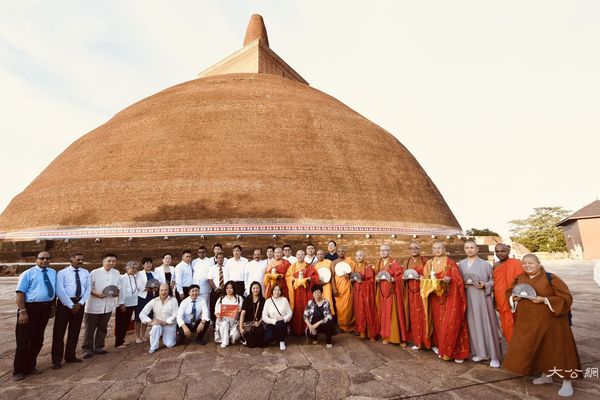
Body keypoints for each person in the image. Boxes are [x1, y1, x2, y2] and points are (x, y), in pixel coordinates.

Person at [503, 254, 581, 397]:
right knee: (539, 349)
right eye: (524, 263)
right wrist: (514, 298)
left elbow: (566, 297)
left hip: (552, 322)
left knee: (560, 350)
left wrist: (544, 300)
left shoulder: (551, 278)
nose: (527, 266)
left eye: (531, 263)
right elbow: (509, 293)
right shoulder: (520, 278)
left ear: (539, 263)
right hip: (528, 322)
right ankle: (546, 375)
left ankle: (567, 381)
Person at [421, 242, 469, 363]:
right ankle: (441, 347)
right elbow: (425, 278)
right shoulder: (429, 263)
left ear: (444, 249)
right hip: (435, 298)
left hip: (449, 297)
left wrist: (450, 279)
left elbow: (458, 279)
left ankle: (453, 352)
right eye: (434, 248)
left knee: (451, 322)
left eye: (439, 248)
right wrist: (423, 279)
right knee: (438, 324)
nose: (437, 250)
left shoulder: (450, 262)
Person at [13, 251, 57, 380]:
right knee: (23, 340)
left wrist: (52, 306)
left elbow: (53, 290)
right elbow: (20, 293)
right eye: (42, 258)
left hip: (45, 308)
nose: (45, 261)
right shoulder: (28, 273)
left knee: (38, 339)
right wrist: (22, 311)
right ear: (36, 259)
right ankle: (19, 370)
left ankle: (30, 366)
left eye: (47, 258)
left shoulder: (53, 272)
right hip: (30, 308)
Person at [458, 240, 501, 368]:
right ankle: (480, 352)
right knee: (473, 325)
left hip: (482, 299)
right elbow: (457, 281)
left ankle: (494, 356)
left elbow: (493, 281)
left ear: (477, 249)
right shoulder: (460, 265)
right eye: (467, 248)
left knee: (487, 324)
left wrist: (485, 285)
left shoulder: (485, 265)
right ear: (464, 250)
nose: (469, 250)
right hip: (468, 298)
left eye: (472, 247)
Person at [52, 253, 90, 368]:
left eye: (82, 259)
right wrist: (70, 305)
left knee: (75, 331)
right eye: (78, 259)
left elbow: (87, 288)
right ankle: (57, 359)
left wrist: (80, 303)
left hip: (79, 303)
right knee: (59, 332)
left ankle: (70, 355)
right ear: (71, 259)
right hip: (65, 304)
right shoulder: (62, 273)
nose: (80, 261)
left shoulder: (85, 273)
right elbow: (60, 290)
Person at [83, 253, 120, 359]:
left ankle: (99, 347)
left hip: (108, 304)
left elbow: (117, 288)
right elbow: (88, 287)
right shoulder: (94, 273)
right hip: (94, 305)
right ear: (103, 261)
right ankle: (87, 349)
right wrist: (97, 294)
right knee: (90, 329)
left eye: (113, 261)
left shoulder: (116, 273)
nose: (111, 263)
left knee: (103, 328)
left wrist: (116, 293)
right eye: (109, 261)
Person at [375, 244, 406, 345]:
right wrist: (376, 279)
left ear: (389, 251)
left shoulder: (394, 263)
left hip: (392, 292)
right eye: (381, 250)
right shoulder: (378, 263)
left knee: (394, 314)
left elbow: (400, 276)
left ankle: (398, 338)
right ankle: (386, 336)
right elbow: (375, 275)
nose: (383, 252)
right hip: (382, 293)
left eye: (385, 250)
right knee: (384, 314)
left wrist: (394, 279)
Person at [401, 242, 430, 350]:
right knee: (413, 317)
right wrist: (403, 279)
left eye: (416, 248)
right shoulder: (406, 262)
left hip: (422, 292)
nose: (413, 250)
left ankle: (427, 341)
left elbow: (430, 276)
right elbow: (402, 277)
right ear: (409, 250)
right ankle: (417, 341)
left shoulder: (425, 261)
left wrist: (422, 277)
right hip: (410, 293)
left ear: (420, 249)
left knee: (424, 316)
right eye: (411, 248)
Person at [493, 243, 524, 343]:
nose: (500, 253)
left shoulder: (516, 263)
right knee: (505, 321)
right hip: (500, 297)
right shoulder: (495, 265)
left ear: (508, 251)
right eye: (497, 251)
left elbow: (521, 280)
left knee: (516, 320)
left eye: (503, 251)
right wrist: (494, 300)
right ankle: (511, 342)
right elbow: (495, 283)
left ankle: (518, 343)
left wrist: (519, 295)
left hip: (513, 297)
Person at [286, 250, 319, 335]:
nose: (300, 256)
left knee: (306, 308)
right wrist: (292, 279)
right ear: (296, 256)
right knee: (297, 309)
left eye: (302, 254)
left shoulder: (309, 266)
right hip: (296, 292)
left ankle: (306, 329)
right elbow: (288, 277)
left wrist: (309, 279)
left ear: (304, 256)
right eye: (298, 254)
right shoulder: (292, 266)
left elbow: (315, 277)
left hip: (306, 292)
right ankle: (296, 330)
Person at [140, 283, 179, 353]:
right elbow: (142, 314)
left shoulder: (173, 300)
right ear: (158, 291)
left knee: (169, 344)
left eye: (166, 290)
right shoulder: (154, 301)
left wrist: (165, 322)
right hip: (157, 324)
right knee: (155, 327)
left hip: (169, 325)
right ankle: (153, 346)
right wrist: (150, 321)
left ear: (169, 290)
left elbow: (175, 315)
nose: (163, 292)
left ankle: (169, 335)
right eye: (162, 290)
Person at [352, 250, 379, 340]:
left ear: (364, 256)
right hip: (357, 292)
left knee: (367, 310)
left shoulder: (368, 267)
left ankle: (371, 334)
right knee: (358, 311)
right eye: (357, 255)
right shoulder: (355, 266)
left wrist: (362, 282)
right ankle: (362, 331)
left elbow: (371, 281)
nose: (358, 257)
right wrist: (351, 279)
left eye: (360, 255)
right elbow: (352, 277)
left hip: (366, 293)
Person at [331, 246, 356, 332]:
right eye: (339, 251)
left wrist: (349, 276)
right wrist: (334, 288)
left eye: (343, 251)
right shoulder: (334, 262)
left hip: (347, 286)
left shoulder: (349, 261)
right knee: (339, 307)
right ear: (336, 252)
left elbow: (354, 274)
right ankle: (341, 326)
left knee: (348, 307)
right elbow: (332, 277)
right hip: (338, 287)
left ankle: (349, 325)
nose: (341, 253)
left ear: (345, 252)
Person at [115, 261, 139, 348]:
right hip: (124, 304)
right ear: (127, 268)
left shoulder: (135, 277)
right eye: (133, 268)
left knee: (126, 323)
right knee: (121, 323)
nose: (134, 270)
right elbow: (121, 291)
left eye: (136, 268)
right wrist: (122, 303)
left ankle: (122, 339)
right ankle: (118, 343)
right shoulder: (122, 278)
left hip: (133, 303)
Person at [262, 284, 293, 350]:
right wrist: (273, 321)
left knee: (280, 323)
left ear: (281, 291)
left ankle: (282, 341)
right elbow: (264, 316)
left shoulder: (284, 300)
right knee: (268, 338)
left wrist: (284, 318)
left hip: (282, 323)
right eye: (275, 290)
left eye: (279, 290)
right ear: (272, 291)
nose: (277, 292)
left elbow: (290, 313)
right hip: (271, 323)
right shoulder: (268, 301)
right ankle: (276, 338)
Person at [214, 281, 243, 348]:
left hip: (235, 323)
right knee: (225, 324)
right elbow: (216, 312)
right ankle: (225, 342)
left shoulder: (239, 298)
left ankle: (228, 337)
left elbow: (242, 311)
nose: (229, 290)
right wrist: (219, 316)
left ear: (234, 289)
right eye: (227, 288)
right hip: (223, 322)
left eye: (231, 288)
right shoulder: (221, 298)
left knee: (234, 340)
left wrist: (239, 310)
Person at [135, 257, 157, 343]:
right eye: (146, 263)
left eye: (150, 263)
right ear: (143, 265)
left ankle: (143, 335)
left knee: (146, 316)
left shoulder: (154, 274)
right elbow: (139, 285)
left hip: (151, 297)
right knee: (138, 317)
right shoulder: (139, 274)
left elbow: (157, 283)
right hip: (142, 297)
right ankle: (137, 336)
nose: (148, 265)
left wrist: (155, 288)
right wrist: (149, 289)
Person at [239, 281, 265, 347]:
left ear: (260, 289)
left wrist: (259, 322)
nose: (255, 290)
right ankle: (243, 338)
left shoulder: (262, 300)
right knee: (252, 345)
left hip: (257, 323)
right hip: (247, 324)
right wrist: (240, 327)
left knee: (261, 344)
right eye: (253, 288)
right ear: (251, 289)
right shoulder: (247, 299)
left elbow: (264, 313)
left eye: (257, 288)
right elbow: (242, 314)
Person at [208, 252, 230, 322]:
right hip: (215, 290)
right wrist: (215, 288)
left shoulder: (227, 268)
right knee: (214, 306)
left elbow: (230, 279)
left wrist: (226, 288)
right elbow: (210, 279)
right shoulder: (212, 268)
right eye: (219, 258)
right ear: (216, 259)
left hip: (225, 290)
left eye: (221, 258)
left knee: (224, 305)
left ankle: (224, 321)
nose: (220, 259)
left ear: (224, 259)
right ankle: (214, 322)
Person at [313, 250, 335, 316]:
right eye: (318, 254)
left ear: (324, 255)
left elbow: (332, 274)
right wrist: (318, 282)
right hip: (318, 285)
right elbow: (312, 276)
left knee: (328, 300)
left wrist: (327, 282)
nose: (320, 256)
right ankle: (320, 316)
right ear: (316, 255)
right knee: (318, 300)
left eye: (321, 254)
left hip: (327, 285)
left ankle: (329, 316)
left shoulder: (329, 262)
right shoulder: (313, 264)